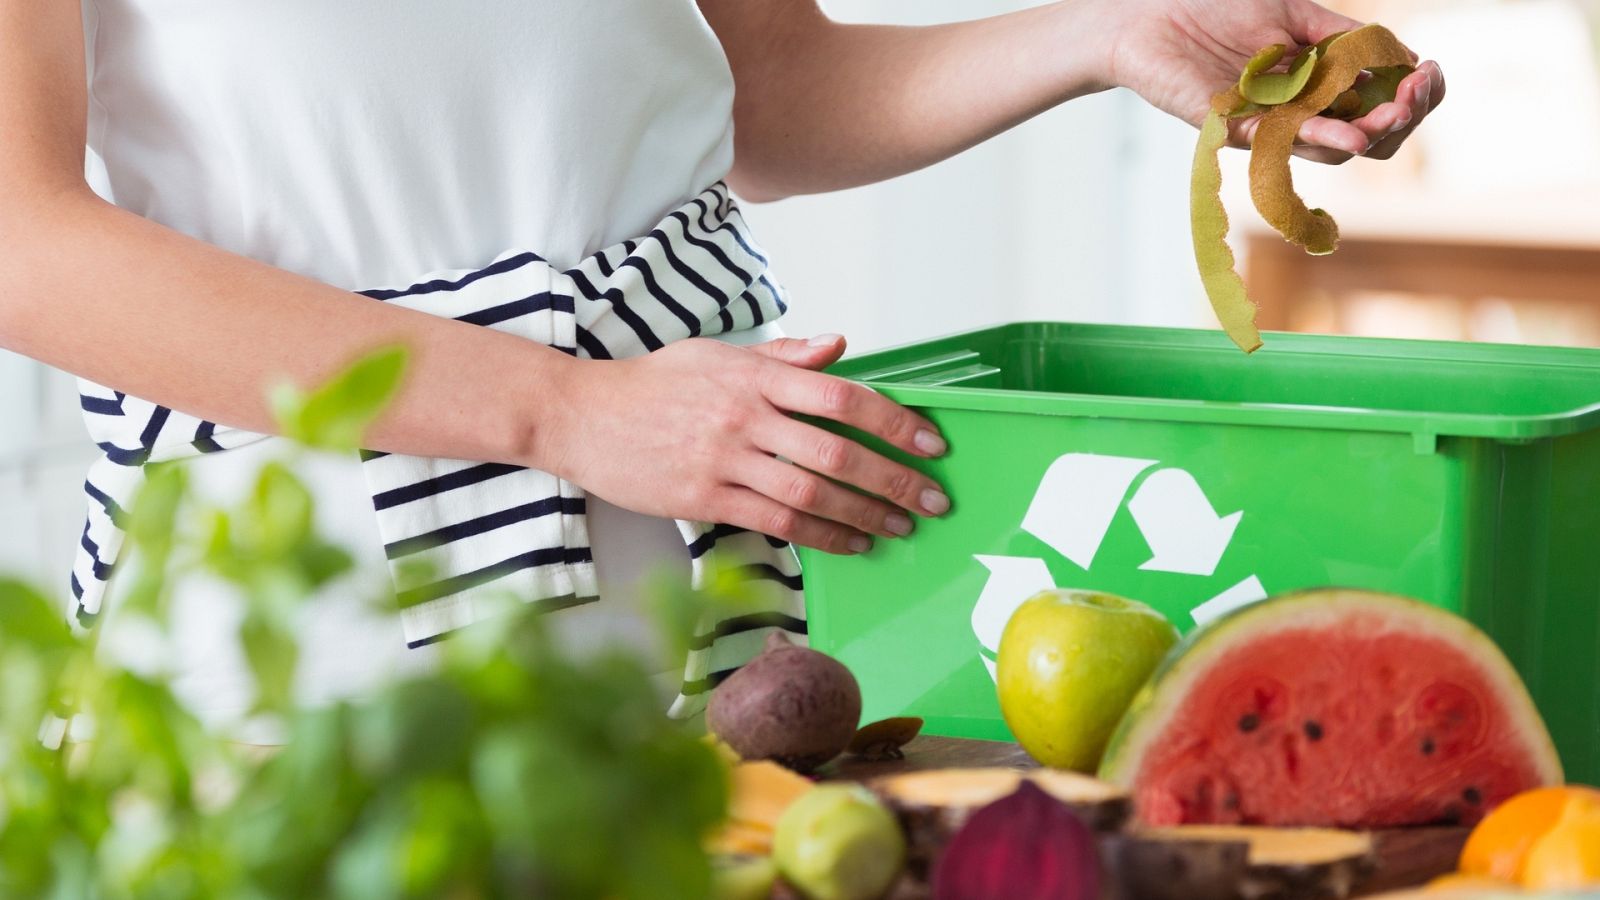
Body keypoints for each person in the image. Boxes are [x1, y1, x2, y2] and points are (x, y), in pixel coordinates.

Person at [0, 0, 1443, 733]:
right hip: (321, 578)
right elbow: (19, 234)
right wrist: (562, 409)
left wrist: (1106, 33)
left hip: (699, 503)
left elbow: (770, 90)